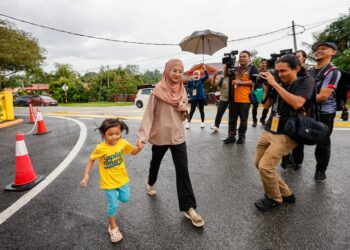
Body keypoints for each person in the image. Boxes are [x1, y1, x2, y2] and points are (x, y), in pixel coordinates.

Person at [137, 59, 204, 227]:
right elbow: (149, 116)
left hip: (177, 136)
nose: (177, 74)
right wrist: (142, 137)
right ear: (167, 71)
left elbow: (183, 117)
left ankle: (189, 208)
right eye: (174, 70)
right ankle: (150, 182)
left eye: (180, 71)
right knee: (155, 163)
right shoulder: (157, 91)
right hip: (160, 136)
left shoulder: (183, 91)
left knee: (183, 170)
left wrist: (184, 111)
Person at [254, 55, 316, 211]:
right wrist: (267, 87)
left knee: (265, 167)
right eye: (278, 71)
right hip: (270, 128)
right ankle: (286, 193)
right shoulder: (278, 83)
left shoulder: (305, 81)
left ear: (296, 69)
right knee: (259, 164)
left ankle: (274, 198)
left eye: (284, 71)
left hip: (288, 132)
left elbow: (297, 103)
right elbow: (267, 105)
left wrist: (275, 83)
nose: (280, 74)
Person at [80, 118, 143, 243]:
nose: (114, 137)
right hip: (108, 182)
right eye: (110, 134)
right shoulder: (100, 148)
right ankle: (113, 227)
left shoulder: (122, 143)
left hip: (122, 179)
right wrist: (86, 175)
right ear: (104, 135)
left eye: (117, 133)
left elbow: (133, 152)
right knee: (113, 205)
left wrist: (139, 147)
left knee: (125, 198)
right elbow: (91, 160)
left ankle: (114, 200)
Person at [309, 41, 341, 182]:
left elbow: (323, 96)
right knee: (296, 134)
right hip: (308, 110)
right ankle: (294, 161)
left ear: (333, 52)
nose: (318, 51)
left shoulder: (333, 71)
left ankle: (321, 170)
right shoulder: (309, 71)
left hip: (325, 113)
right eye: (316, 49)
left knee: (322, 143)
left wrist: (300, 98)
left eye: (323, 49)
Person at [281, 49, 310, 170]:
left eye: (298, 57)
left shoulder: (307, 74)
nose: (296, 58)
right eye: (294, 56)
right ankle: (286, 161)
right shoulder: (284, 72)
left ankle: (297, 161)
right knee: (284, 135)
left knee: (298, 137)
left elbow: (303, 97)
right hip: (285, 108)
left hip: (300, 109)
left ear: (304, 59)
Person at [223, 50, 259, 144]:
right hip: (233, 98)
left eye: (244, 56)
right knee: (232, 120)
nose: (242, 58)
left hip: (245, 99)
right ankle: (231, 136)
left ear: (249, 58)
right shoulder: (235, 68)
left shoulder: (253, 67)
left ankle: (241, 136)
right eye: (240, 57)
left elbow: (253, 82)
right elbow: (225, 75)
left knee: (243, 120)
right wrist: (227, 64)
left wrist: (239, 82)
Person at [210, 65, 230, 132]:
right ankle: (216, 126)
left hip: (232, 99)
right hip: (223, 98)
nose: (225, 70)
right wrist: (214, 77)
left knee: (233, 114)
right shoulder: (221, 78)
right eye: (224, 68)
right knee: (219, 112)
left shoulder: (233, 77)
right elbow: (214, 84)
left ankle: (233, 126)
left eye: (226, 68)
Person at [251, 59, 267, 127]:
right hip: (257, 90)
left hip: (266, 91)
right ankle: (254, 121)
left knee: (266, 106)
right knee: (255, 107)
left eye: (265, 63)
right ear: (260, 64)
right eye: (262, 63)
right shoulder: (256, 71)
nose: (264, 64)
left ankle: (263, 119)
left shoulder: (269, 72)